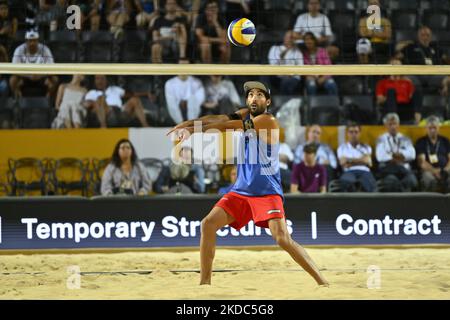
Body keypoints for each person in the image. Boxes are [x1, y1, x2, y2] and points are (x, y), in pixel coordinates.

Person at [168, 81, 328, 286]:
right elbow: (220, 118)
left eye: (260, 95)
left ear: (268, 101)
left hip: (266, 192)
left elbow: (226, 126)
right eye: (251, 94)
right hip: (241, 191)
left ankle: (321, 281)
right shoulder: (245, 114)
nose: (254, 98)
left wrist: (194, 130)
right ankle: (204, 284)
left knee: (282, 239)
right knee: (207, 224)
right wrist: (189, 123)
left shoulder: (268, 120)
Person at [84, 74, 150, 128]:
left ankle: (146, 126)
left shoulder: (114, 89)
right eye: (97, 78)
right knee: (100, 99)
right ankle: (103, 126)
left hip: (119, 113)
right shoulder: (91, 93)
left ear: (106, 80)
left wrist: (146, 94)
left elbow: (131, 94)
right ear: (95, 81)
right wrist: (94, 103)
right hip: (105, 114)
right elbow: (86, 104)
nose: (100, 81)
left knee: (135, 100)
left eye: (102, 78)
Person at [376, 113, 418, 192]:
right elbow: (380, 157)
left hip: (404, 169)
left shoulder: (405, 138)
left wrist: (394, 155)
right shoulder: (381, 139)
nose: (393, 127)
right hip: (388, 169)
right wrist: (401, 157)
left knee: (412, 181)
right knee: (392, 182)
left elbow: (412, 154)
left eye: (395, 124)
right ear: (386, 126)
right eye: (390, 124)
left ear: (398, 125)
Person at [9, 30, 58, 98]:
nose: (32, 43)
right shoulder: (19, 50)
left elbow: (52, 68)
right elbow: (14, 69)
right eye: (30, 41)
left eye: (34, 40)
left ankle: (48, 99)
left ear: (38, 41)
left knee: (54, 79)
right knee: (12, 80)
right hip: (24, 77)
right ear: (26, 41)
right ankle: (17, 100)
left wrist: (40, 75)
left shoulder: (45, 49)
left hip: (42, 77)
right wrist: (29, 75)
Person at [375, 58, 421, 124]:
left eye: (398, 66)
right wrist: (391, 97)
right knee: (391, 91)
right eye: (393, 65)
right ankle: (393, 119)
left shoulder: (407, 82)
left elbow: (412, 97)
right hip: (390, 107)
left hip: (405, 108)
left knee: (417, 91)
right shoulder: (382, 82)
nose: (396, 68)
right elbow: (380, 99)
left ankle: (417, 116)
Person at [337, 123, 376, 192]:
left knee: (368, 184)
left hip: (365, 171)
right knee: (347, 183)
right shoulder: (342, 148)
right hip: (349, 172)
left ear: (360, 133)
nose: (354, 134)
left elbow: (368, 162)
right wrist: (361, 160)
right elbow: (343, 162)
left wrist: (349, 161)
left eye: (356, 132)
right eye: (351, 132)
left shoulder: (366, 147)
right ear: (347, 134)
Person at [164, 59, 205, 124]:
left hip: (194, 115)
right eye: (181, 66)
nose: (183, 68)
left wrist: (187, 102)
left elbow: (200, 99)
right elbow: (171, 103)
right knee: (171, 105)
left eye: (186, 66)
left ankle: (191, 125)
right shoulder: (169, 83)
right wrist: (180, 122)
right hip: (176, 114)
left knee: (193, 99)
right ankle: (181, 125)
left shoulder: (197, 82)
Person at [415, 116, 450, 192]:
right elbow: (422, 163)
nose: (432, 130)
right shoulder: (421, 142)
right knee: (429, 180)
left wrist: (445, 171)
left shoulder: (445, 141)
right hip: (428, 171)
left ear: (438, 128)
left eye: (434, 127)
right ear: (426, 128)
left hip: (445, 169)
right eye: (430, 128)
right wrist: (435, 171)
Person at [266, 30, 304, 95]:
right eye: (288, 37)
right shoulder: (275, 48)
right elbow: (272, 65)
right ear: (284, 38)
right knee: (264, 76)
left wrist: (291, 74)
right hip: (277, 77)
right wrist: (284, 53)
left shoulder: (297, 52)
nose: (290, 40)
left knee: (287, 82)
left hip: (293, 77)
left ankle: (283, 102)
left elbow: (301, 67)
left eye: (292, 38)